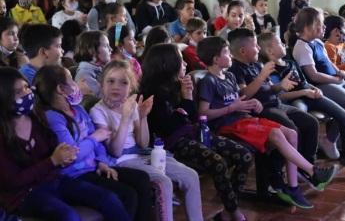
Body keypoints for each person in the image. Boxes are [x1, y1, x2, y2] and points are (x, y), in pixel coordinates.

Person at [197, 37, 336, 210]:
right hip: (228, 126)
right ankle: (312, 171)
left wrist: (251, 104)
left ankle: (293, 187)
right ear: (216, 59)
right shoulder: (208, 81)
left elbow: (239, 99)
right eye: (226, 52)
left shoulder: (229, 76)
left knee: (291, 133)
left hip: (243, 119)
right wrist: (234, 107)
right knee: (276, 134)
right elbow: (203, 113)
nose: (230, 55)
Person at [0, 67, 132, 221]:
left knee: (109, 199)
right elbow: (12, 181)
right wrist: (53, 161)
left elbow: (58, 154)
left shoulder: (37, 119)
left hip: (53, 181)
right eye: (18, 92)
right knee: (69, 216)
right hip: (23, 195)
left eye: (25, 87)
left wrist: (64, 156)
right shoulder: (3, 135)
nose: (26, 93)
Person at [140, 43, 252, 221]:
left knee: (243, 155)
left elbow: (191, 117)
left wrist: (187, 98)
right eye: (180, 60)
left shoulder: (178, 85)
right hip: (172, 143)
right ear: (168, 64)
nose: (185, 64)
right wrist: (184, 103)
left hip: (192, 132)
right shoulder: (151, 94)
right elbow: (168, 128)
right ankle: (234, 212)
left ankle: (227, 210)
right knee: (218, 163)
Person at [34, 65, 153, 221]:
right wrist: (94, 138)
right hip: (72, 176)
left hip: (94, 168)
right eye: (72, 80)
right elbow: (72, 155)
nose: (78, 83)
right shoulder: (53, 117)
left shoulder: (78, 110)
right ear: (61, 89)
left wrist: (102, 162)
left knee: (142, 179)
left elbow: (99, 143)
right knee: (125, 195)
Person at [90, 60, 203, 221]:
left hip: (142, 155)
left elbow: (142, 143)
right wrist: (125, 118)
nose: (116, 86)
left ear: (131, 87)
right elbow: (115, 151)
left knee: (190, 175)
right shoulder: (98, 111)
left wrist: (142, 117)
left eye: (123, 82)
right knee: (163, 183)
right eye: (111, 81)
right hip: (121, 160)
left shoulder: (131, 105)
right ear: (102, 84)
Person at [258, 31, 345, 173]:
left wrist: (314, 89)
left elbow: (304, 82)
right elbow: (281, 96)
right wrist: (304, 92)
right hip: (295, 99)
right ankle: (306, 162)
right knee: (303, 120)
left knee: (344, 115)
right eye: (279, 43)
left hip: (309, 95)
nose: (283, 44)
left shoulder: (290, 62)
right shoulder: (270, 70)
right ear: (269, 51)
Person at [227, 28, 320, 169]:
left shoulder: (256, 64)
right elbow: (244, 95)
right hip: (263, 109)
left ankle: (308, 164)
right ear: (243, 51)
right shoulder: (235, 69)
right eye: (255, 45)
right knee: (292, 130)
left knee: (311, 123)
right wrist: (261, 77)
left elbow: (270, 88)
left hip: (277, 104)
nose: (258, 48)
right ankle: (278, 171)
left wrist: (281, 85)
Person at [291, 7, 345, 138]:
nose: (324, 27)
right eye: (319, 24)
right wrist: (335, 79)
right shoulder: (302, 47)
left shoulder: (317, 41)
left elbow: (328, 62)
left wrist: (338, 71)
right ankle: (331, 139)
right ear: (307, 28)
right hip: (320, 85)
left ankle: (341, 133)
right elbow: (314, 76)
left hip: (333, 80)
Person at [74, 31, 112, 99]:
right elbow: (106, 100)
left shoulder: (100, 69)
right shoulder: (85, 75)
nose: (111, 49)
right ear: (92, 50)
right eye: (106, 46)